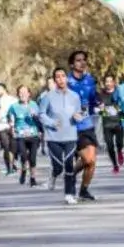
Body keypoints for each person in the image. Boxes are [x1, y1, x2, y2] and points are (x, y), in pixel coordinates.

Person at [40, 67, 83, 204]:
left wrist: (78, 117)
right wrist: (51, 122)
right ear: (54, 80)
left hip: (70, 135)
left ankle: (69, 194)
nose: (61, 79)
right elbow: (41, 114)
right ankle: (53, 175)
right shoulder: (47, 97)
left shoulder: (75, 96)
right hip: (53, 137)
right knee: (59, 166)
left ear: (67, 78)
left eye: (63, 76)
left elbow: (79, 112)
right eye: (57, 77)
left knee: (69, 164)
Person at [67, 51, 99, 201]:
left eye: (84, 60)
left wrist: (98, 105)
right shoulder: (66, 82)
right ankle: (71, 174)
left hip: (87, 125)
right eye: (78, 60)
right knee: (86, 160)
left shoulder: (90, 80)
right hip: (72, 127)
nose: (82, 63)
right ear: (72, 64)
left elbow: (93, 100)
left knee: (91, 161)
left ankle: (83, 190)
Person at [8, 85, 41, 187]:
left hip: (33, 134)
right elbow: (10, 119)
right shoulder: (14, 106)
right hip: (20, 135)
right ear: (18, 94)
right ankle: (23, 170)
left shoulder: (34, 104)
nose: (22, 94)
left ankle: (33, 178)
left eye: (25, 92)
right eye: (20, 92)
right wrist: (12, 128)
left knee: (32, 158)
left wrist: (35, 117)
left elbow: (39, 120)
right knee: (23, 156)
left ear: (29, 94)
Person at [97, 75, 124, 175]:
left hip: (118, 123)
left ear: (114, 82)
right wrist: (101, 111)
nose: (108, 83)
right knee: (109, 146)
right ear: (104, 83)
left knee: (119, 143)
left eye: (110, 81)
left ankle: (119, 152)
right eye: (107, 82)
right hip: (107, 124)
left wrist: (122, 119)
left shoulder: (119, 93)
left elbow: (123, 108)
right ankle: (115, 165)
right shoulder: (101, 94)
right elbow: (100, 111)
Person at [0, 83, 18, 180]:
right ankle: (9, 168)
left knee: (13, 148)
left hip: (12, 126)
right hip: (0, 127)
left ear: (4, 89)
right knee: (6, 148)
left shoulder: (13, 100)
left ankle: (13, 164)